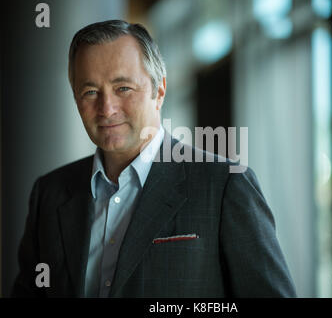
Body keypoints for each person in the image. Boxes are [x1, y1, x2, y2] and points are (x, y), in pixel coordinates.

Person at [12, 20, 296, 298]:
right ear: (76, 99)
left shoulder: (225, 185)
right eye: (90, 92)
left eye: (123, 88)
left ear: (158, 91)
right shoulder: (49, 194)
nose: (107, 108)